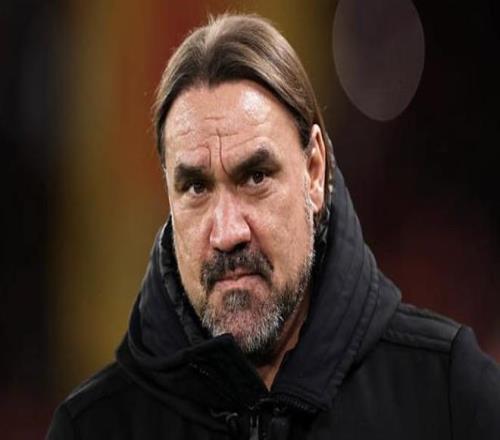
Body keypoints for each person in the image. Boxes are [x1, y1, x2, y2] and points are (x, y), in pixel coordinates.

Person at [47, 13, 500, 440]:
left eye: (256, 177)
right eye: (196, 188)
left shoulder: (446, 393)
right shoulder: (93, 427)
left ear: (315, 172)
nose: (227, 233)